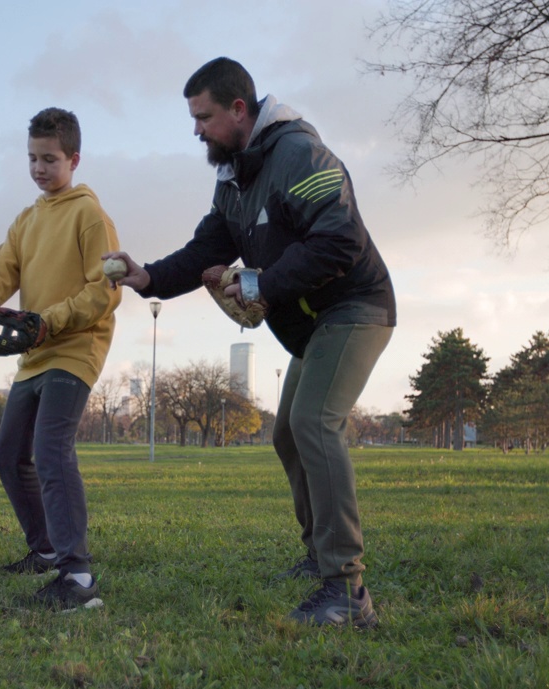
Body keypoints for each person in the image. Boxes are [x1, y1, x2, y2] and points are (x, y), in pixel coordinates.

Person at [105, 58, 396, 628]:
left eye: (204, 117)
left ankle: (347, 591)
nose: (196, 130)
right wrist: (149, 278)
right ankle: (319, 558)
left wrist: (262, 281)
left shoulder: (298, 154)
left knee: (315, 423)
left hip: (355, 308)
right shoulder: (233, 177)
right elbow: (207, 247)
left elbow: (339, 240)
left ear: (240, 110)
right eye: (193, 118)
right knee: (287, 434)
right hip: (313, 327)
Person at [0, 107, 121, 611]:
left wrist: (48, 320)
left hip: (76, 346)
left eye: (49, 159)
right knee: (8, 452)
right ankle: (44, 550)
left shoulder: (89, 215)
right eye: (32, 158)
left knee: (51, 450)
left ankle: (78, 577)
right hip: (35, 352)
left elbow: (105, 293)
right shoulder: (27, 219)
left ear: (74, 159)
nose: (39, 168)